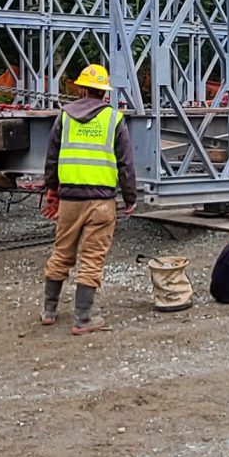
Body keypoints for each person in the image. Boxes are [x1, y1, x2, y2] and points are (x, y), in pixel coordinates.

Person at [42, 63, 139, 334]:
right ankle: (82, 318)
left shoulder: (64, 116)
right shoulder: (114, 120)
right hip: (101, 202)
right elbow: (126, 165)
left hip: (69, 199)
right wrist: (130, 197)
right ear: (104, 93)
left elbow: (51, 158)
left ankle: (49, 311)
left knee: (61, 252)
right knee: (92, 258)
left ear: (82, 88)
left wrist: (52, 191)